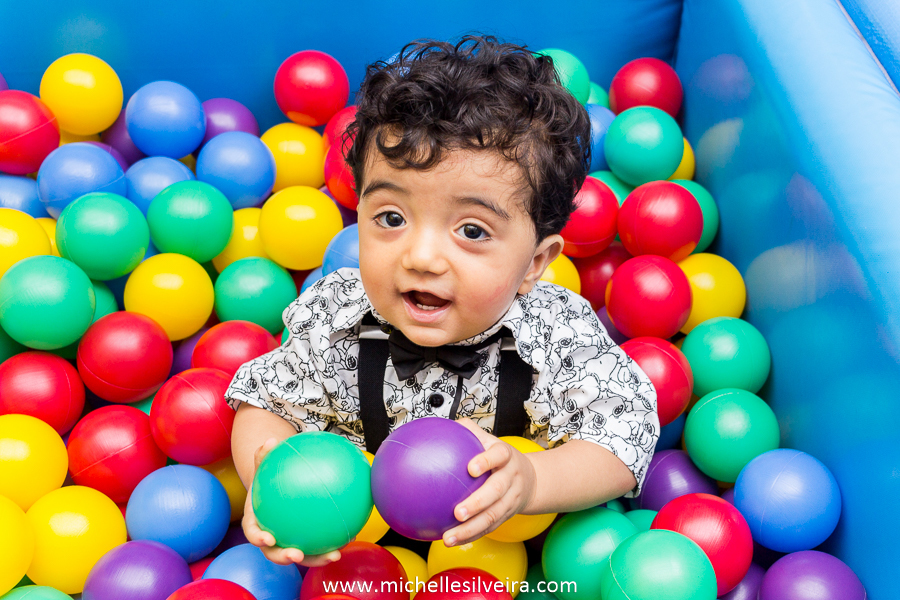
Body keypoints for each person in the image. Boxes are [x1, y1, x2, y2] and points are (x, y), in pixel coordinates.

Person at [227, 35, 658, 568]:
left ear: (535, 263)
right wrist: (271, 486)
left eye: (472, 230)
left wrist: (533, 482)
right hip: (355, 558)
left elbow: (624, 433)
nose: (423, 257)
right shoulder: (334, 315)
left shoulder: (556, 334)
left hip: (498, 560)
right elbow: (265, 402)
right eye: (391, 218)